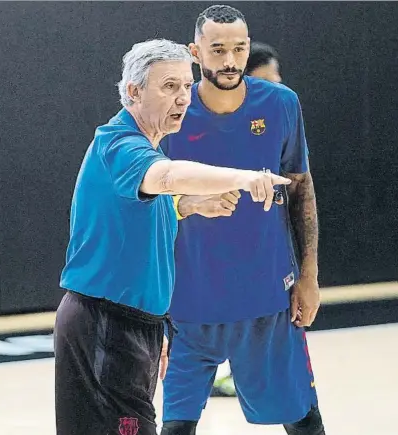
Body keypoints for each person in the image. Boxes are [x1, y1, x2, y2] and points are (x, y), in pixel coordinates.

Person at [54, 38, 292, 435]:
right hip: (105, 325)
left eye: (186, 86)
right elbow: (165, 176)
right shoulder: (120, 145)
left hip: (135, 324)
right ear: (134, 92)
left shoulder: (140, 151)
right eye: (169, 87)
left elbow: (137, 214)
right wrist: (248, 177)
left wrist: (187, 206)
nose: (183, 97)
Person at [161, 5, 325, 435]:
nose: (230, 60)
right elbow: (148, 202)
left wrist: (308, 276)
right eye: (218, 50)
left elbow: (300, 190)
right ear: (195, 52)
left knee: (303, 421)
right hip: (190, 305)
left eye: (239, 48)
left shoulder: (281, 103)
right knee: (175, 427)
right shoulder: (172, 113)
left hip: (266, 299)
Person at [211, 39, 284, 398]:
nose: (277, 87)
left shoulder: (281, 121)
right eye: (266, 81)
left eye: (278, 78)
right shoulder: (218, 125)